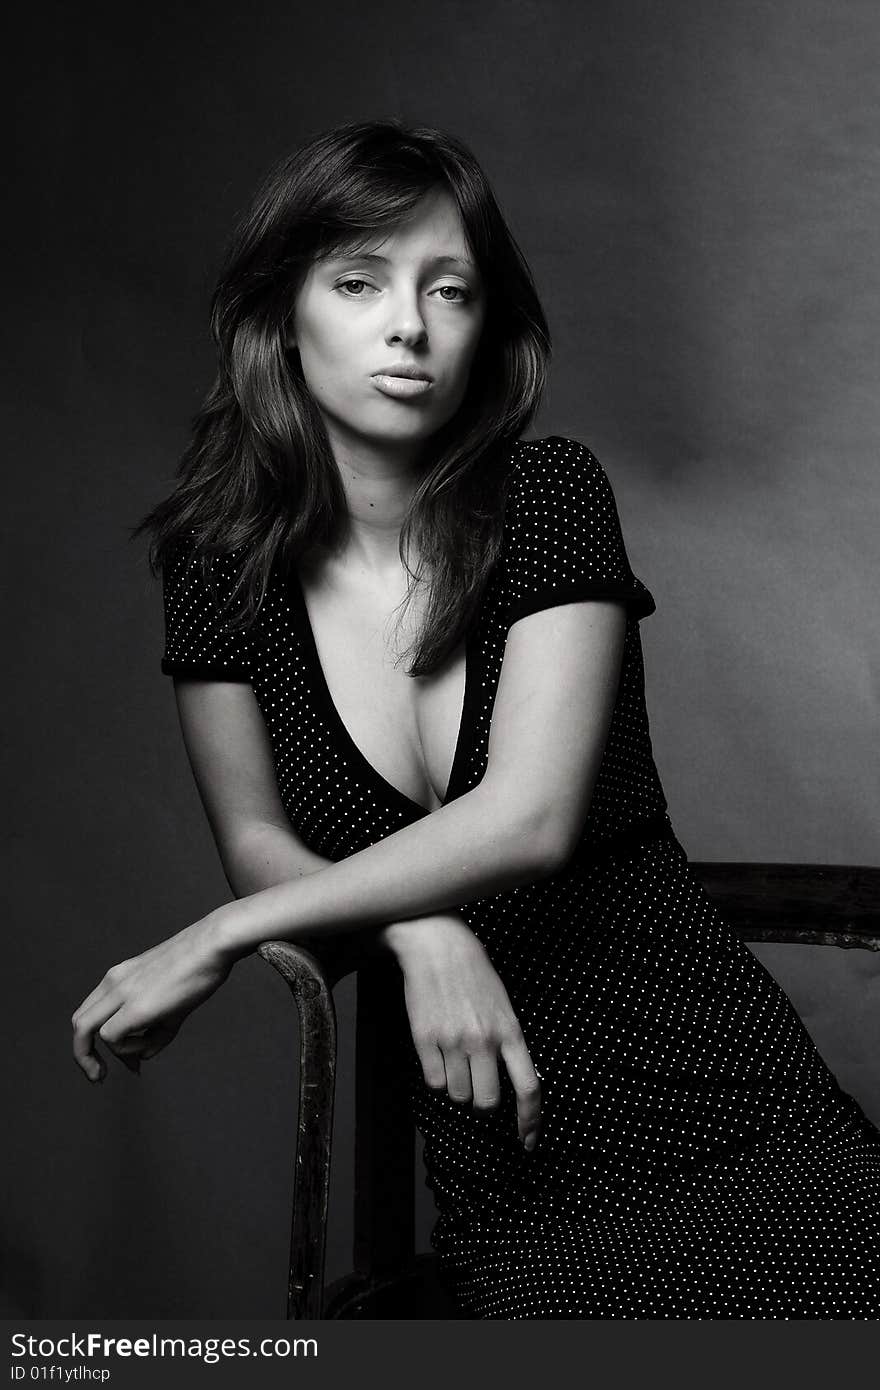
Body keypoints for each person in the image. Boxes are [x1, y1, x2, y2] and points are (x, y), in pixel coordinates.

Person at [71, 120, 880, 1318]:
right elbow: (253, 838)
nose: (410, 324)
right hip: (517, 1170)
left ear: (482, 324)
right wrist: (420, 930)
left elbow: (531, 817)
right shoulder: (220, 573)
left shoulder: (549, 497)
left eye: (447, 289)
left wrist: (214, 938)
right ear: (281, 316)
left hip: (731, 1112)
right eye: (359, 282)